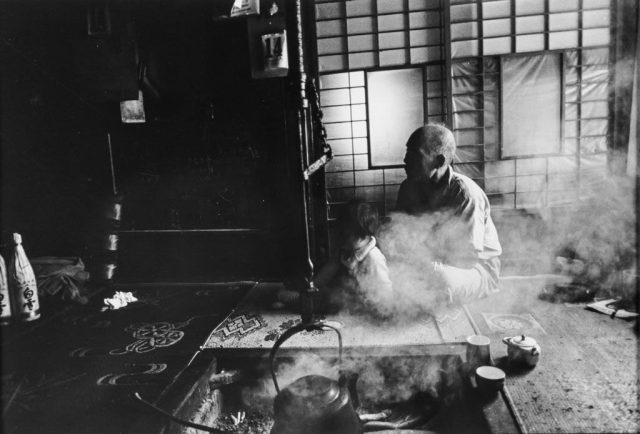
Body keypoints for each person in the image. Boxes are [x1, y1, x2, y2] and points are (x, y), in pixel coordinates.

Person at [396, 124, 502, 303]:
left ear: (438, 161)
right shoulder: (408, 187)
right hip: (426, 262)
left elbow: (467, 260)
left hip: (475, 270)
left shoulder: (466, 195)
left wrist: (424, 262)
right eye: (407, 152)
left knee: (440, 281)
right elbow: (398, 234)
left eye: (415, 155)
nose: (405, 159)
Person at [276, 200, 393, 317]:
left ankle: (295, 300)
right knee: (305, 281)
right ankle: (299, 297)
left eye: (346, 235)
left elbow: (385, 294)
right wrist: (312, 287)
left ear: (363, 234)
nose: (341, 238)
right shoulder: (345, 248)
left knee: (328, 298)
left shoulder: (373, 258)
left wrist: (371, 305)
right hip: (341, 290)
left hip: (359, 302)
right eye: (340, 233)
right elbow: (325, 274)